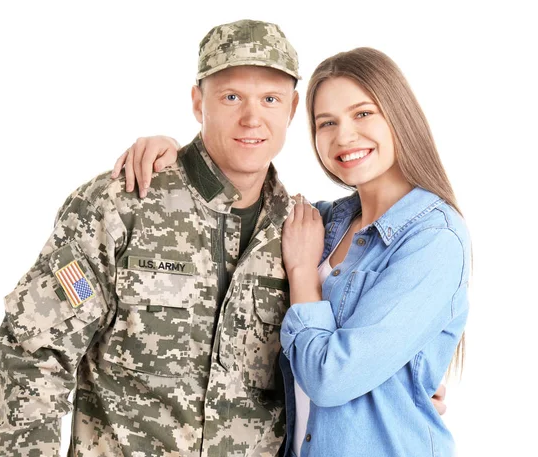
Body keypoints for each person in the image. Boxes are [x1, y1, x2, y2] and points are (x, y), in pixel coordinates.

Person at [115, 48, 468, 456]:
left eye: (363, 114)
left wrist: (302, 274)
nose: (344, 136)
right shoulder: (323, 224)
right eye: (327, 123)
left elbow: (330, 379)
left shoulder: (434, 240)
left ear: (399, 116)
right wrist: (175, 155)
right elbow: (236, 210)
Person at [0, 19, 301, 456]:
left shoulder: (302, 231)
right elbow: (34, 349)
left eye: (270, 99)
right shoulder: (120, 204)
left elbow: (346, 354)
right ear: (198, 102)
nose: (252, 118)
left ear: (292, 108)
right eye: (231, 97)